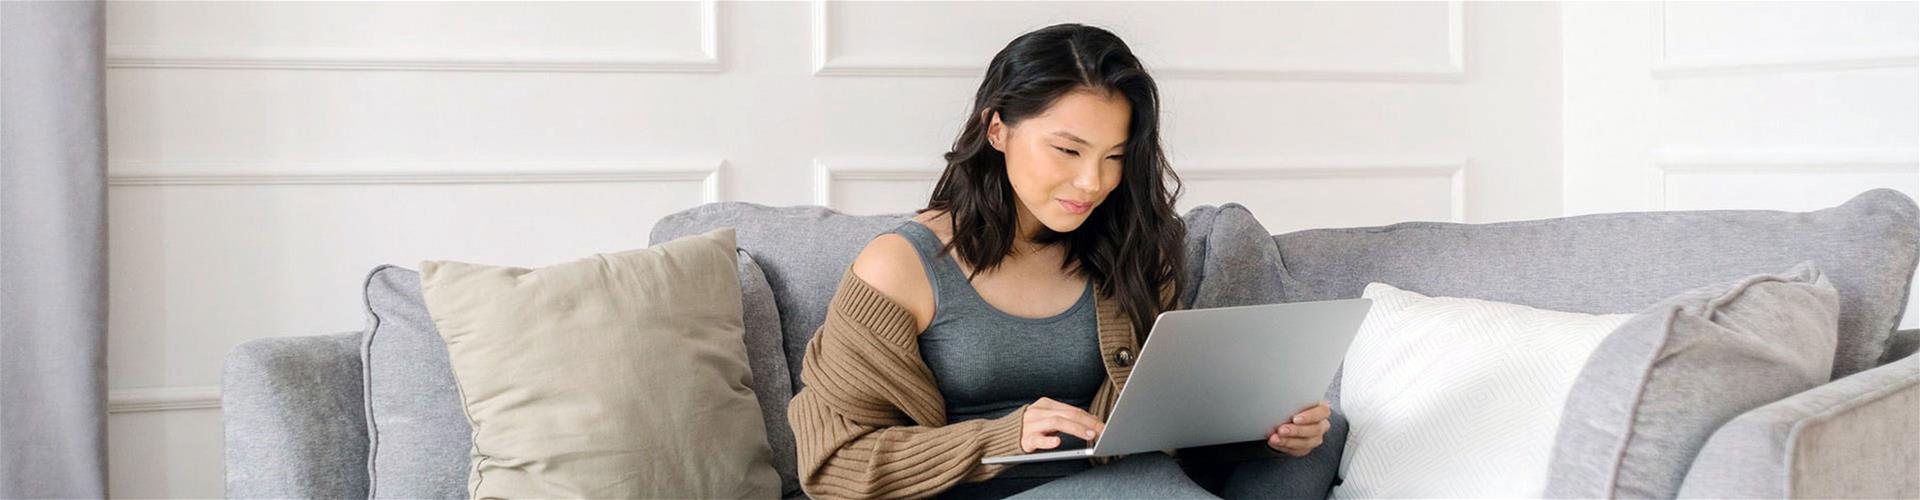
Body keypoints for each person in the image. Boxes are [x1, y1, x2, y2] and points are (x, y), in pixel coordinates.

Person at [787, 23, 1332, 500]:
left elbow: (1163, 431)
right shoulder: (901, 266)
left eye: (1114, 157)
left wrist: (1262, 434)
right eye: (1068, 151)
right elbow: (835, 465)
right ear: (996, 129)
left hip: (1134, 480)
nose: (1092, 182)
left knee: (1323, 437)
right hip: (995, 491)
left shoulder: (1131, 248)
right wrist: (1003, 437)